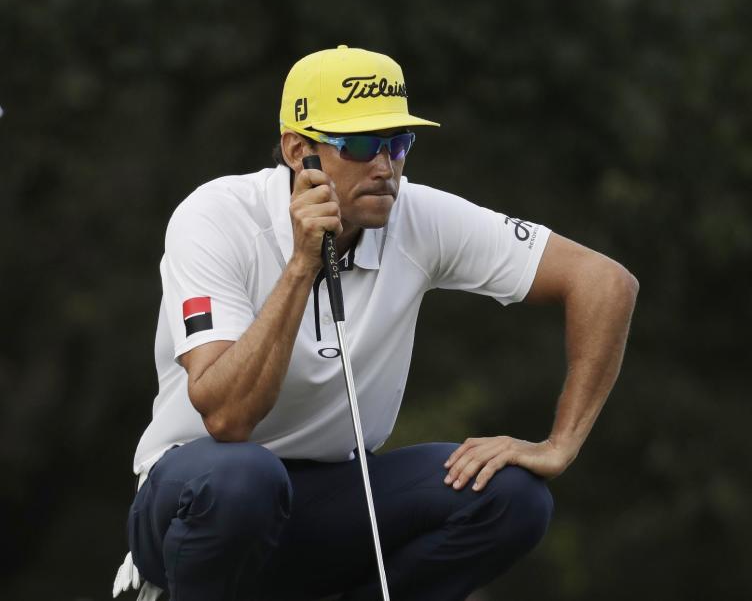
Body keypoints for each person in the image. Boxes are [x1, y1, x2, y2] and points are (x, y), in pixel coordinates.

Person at [113, 45, 638, 601]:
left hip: (328, 496)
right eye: (361, 144)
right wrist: (301, 266)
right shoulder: (216, 215)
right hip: (194, 498)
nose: (385, 166)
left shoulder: (417, 214)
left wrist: (560, 444)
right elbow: (227, 417)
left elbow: (604, 283)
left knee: (511, 496)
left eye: (398, 143)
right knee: (245, 478)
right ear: (298, 150)